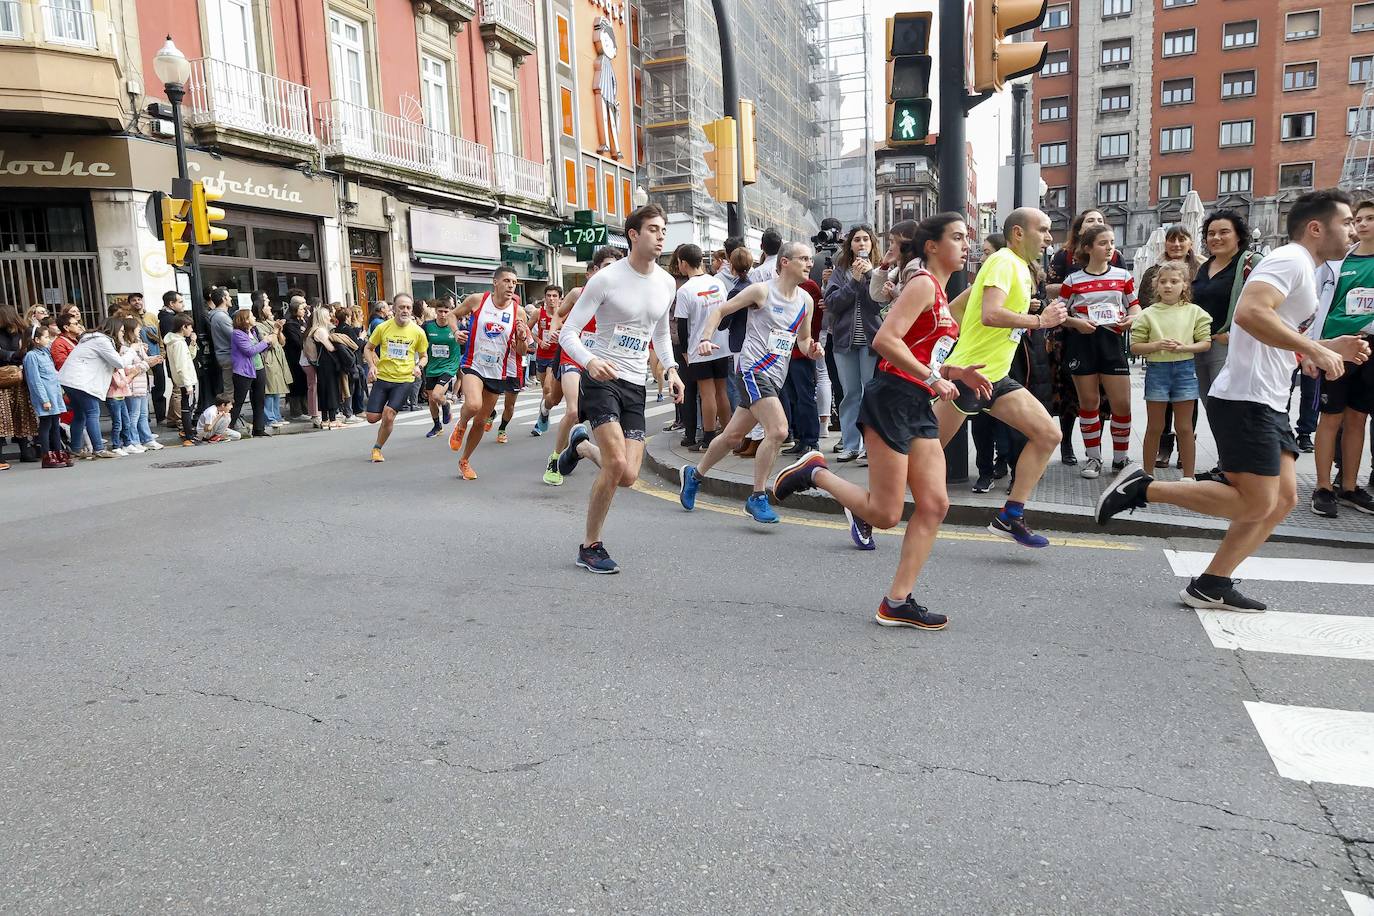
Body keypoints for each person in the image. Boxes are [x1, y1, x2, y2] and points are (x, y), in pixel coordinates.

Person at [1099, 189, 1369, 612]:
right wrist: (1316, 350)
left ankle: (1212, 583)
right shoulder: (1291, 259)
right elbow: (1249, 314)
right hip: (1247, 397)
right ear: (1317, 228)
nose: (1355, 229)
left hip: (1268, 397)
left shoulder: (1306, 266)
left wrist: (1326, 345)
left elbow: (1272, 329)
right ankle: (1143, 488)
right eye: (1348, 222)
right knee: (1257, 500)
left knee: (1282, 501)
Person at [770, 213, 988, 627]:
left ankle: (897, 601)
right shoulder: (922, 284)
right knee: (886, 515)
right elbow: (885, 340)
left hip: (918, 402)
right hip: (891, 398)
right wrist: (933, 377)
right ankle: (814, 473)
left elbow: (923, 353)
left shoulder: (938, 291)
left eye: (966, 237)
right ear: (932, 246)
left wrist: (955, 373)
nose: (965, 244)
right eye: (957, 237)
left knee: (935, 504)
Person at [930, 207, 1069, 548]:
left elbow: (962, 306)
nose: (1050, 238)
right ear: (1019, 233)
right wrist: (1040, 321)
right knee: (923, 454)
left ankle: (1011, 515)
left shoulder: (1017, 267)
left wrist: (948, 333)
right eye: (1044, 230)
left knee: (1048, 434)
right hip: (970, 376)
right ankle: (867, 506)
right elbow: (991, 314)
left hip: (996, 376)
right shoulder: (1004, 261)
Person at [556, 204, 681, 573]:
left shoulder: (666, 282)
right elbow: (568, 333)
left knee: (627, 475)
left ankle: (580, 446)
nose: (661, 237)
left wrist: (671, 369)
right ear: (633, 234)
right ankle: (590, 546)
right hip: (601, 380)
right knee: (615, 464)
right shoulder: (607, 279)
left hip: (634, 385)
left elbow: (659, 332)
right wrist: (590, 361)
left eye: (663, 231)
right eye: (654, 230)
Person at [679, 240, 821, 524]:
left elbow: (803, 341)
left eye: (811, 259)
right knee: (779, 430)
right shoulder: (761, 290)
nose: (810, 264)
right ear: (785, 262)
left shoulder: (805, 301)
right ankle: (757, 497)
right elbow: (720, 310)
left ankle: (693, 475)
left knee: (732, 437)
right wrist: (705, 339)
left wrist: (812, 350)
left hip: (775, 376)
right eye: (804, 258)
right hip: (753, 370)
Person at [1310, 197, 1374, 517]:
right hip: (1336, 346)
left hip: (1370, 349)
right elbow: (1318, 308)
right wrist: (1315, 349)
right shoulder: (1337, 261)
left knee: (1357, 418)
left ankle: (1349, 486)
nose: (1362, 224)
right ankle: (1323, 487)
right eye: (1358, 219)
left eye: (1370, 218)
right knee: (1330, 417)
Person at [1060, 224, 1140, 478]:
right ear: (1088, 248)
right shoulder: (1072, 280)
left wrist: (1130, 319)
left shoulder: (1123, 276)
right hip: (1082, 343)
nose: (1109, 248)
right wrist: (1076, 323)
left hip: (1112, 342)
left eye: (1112, 242)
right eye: (1103, 243)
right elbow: (1060, 313)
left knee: (1122, 404)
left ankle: (1120, 458)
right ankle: (1093, 459)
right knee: (1089, 403)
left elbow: (1135, 307)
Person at [542, 246, 624, 485]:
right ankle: (554, 459)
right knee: (571, 409)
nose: (613, 272)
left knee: (579, 409)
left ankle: (577, 445)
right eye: (608, 267)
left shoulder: (620, 297)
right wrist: (553, 330)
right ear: (595, 270)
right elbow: (558, 315)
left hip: (599, 359)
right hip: (573, 355)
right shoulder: (579, 293)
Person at [1130, 261, 1211, 477]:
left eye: (1174, 281)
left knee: (1185, 427)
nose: (1168, 286)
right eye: (1163, 282)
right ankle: (1147, 475)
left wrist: (1184, 347)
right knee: (1154, 426)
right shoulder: (1148, 314)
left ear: (1184, 285)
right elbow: (1135, 347)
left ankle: (1189, 476)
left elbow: (1205, 342)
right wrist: (1156, 345)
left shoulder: (1195, 312)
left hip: (1185, 370)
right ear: (1156, 286)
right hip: (1157, 370)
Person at [446, 268, 529, 478]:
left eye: (514, 282)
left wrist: (521, 338)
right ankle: (461, 424)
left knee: (482, 421)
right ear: (495, 282)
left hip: (497, 370)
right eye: (507, 281)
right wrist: (456, 332)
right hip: (474, 363)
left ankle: (464, 461)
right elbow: (452, 315)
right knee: (473, 404)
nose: (511, 285)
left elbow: (521, 351)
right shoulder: (478, 300)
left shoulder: (518, 312)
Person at [1139, 227, 1204, 467]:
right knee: (1159, 408)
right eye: (1171, 240)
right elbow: (1144, 301)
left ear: (1190, 242)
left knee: (1187, 403)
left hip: (1187, 345)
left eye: (1181, 239)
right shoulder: (1153, 272)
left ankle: (1184, 454)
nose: (1176, 244)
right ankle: (1163, 447)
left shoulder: (1201, 269)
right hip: (1159, 347)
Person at [823, 225, 884, 464]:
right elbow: (833, 303)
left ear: (872, 244)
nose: (861, 244)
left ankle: (871, 446)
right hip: (844, 342)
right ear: (850, 246)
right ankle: (850, 444)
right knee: (850, 394)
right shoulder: (840, 272)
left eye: (865, 239)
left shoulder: (880, 271)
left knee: (871, 394)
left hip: (871, 342)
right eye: (856, 240)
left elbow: (878, 305)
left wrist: (869, 276)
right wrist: (854, 280)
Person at [57, 317, 142, 459]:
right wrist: (132, 351)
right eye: (121, 331)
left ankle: (76, 448)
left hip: (69, 380)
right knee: (92, 413)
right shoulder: (102, 341)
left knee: (80, 415)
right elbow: (119, 363)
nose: (122, 334)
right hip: (82, 382)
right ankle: (99, 448)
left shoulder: (91, 339)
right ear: (114, 330)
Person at [673, 244, 731, 451]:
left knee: (706, 394)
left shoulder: (685, 290)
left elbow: (681, 326)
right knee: (722, 392)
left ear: (684, 263)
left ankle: (708, 439)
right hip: (721, 345)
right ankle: (728, 435)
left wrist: (685, 352)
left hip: (700, 347)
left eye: (679, 261)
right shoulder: (717, 283)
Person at [361, 293, 428, 462]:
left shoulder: (417, 331)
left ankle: (377, 448)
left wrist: (418, 366)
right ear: (394, 309)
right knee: (372, 418)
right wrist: (372, 366)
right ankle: (384, 419)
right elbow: (368, 348)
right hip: (383, 378)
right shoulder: (383, 328)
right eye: (401, 307)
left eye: (408, 307)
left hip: (404, 380)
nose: (405, 310)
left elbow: (424, 356)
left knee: (389, 414)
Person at [971, 233, 1012, 492]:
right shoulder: (982, 281)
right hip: (980, 362)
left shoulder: (1017, 273)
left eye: (987, 252)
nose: (982, 257)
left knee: (1011, 423)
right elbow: (981, 315)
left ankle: (1007, 466)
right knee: (981, 419)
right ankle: (984, 471)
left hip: (1011, 360)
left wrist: (1036, 314)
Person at [24, 323, 69, 468]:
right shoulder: (31, 356)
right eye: (45, 337)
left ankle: (58, 452)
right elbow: (35, 380)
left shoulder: (46, 353)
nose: (48, 340)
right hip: (45, 397)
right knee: (46, 425)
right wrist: (44, 399)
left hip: (54, 395)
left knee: (55, 425)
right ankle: (46, 454)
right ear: (36, 340)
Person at [0, 304, 40, 465]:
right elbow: (28, 350)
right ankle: (26, 451)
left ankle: (2, 456)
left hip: (3, 379)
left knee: (3, 417)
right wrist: (18, 355)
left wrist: (11, 356)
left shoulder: (22, 331)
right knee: (21, 414)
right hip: (20, 377)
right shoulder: (24, 331)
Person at [421, 297, 466, 438]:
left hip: (449, 366)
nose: (442, 314)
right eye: (440, 311)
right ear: (435, 311)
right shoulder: (427, 326)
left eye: (446, 311)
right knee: (431, 399)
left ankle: (446, 405)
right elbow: (420, 343)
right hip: (432, 366)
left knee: (436, 395)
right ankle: (437, 426)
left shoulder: (456, 327)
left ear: (450, 311)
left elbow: (466, 345)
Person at [228, 308, 273, 438]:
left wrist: (266, 342)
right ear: (245, 320)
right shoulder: (237, 334)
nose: (254, 318)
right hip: (243, 371)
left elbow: (261, 347)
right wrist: (265, 342)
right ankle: (227, 427)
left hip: (259, 368)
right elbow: (249, 351)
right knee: (239, 401)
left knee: (259, 399)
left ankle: (259, 428)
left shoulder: (253, 331)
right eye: (252, 316)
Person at [121, 315, 164, 452]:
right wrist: (147, 363)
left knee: (143, 414)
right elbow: (129, 367)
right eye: (137, 329)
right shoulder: (125, 348)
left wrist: (153, 359)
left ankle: (146, 439)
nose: (139, 331)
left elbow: (144, 360)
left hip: (142, 384)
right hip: (133, 385)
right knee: (134, 415)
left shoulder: (138, 345)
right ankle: (133, 440)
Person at [305, 305, 344, 431]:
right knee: (331, 389)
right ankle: (332, 419)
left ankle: (325, 419)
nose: (330, 317)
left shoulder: (313, 330)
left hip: (320, 363)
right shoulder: (321, 331)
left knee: (324, 390)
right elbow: (330, 348)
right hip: (327, 362)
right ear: (322, 317)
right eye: (327, 316)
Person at [531, 286, 563, 436]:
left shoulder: (564, 314)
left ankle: (540, 422)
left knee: (547, 389)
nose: (551, 299)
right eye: (548, 295)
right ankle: (543, 415)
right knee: (545, 389)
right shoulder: (538, 313)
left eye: (554, 296)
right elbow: (528, 329)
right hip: (541, 355)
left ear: (560, 298)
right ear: (544, 298)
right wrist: (538, 341)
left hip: (555, 356)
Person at [162, 314, 199, 445]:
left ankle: (187, 431)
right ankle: (188, 434)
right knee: (187, 406)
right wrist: (188, 384)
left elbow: (190, 356)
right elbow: (181, 365)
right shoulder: (178, 343)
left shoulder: (177, 341)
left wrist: (193, 343)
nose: (191, 330)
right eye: (190, 327)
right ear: (184, 327)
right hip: (186, 380)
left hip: (184, 379)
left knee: (188, 405)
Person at [253, 300, 290, 429]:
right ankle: (270, 418)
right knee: (269, 389)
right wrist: (275, 331)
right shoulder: (258, 325)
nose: (270, 308)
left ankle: (277, 415)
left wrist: (279, 330)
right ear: (261, 310)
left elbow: (282, 341)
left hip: (278, 357)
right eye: (267, 306)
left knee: (277, 388)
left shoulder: (270, 322)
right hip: (268, 358)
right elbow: (269, 342)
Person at [282, 297, 309, 420]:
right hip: (294, 357)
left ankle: (305, 408)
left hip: (303, 357)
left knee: (304, 383)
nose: (305, 310)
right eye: (302, 307)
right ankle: (296, 411)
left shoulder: (303, 321)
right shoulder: (290, 323)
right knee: (296, 383)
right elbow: (297, 341)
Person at [207, 287, 234, 399]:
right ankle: (229, 414)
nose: (231, 298)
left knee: (230, 387)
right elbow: (235, 337)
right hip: (227, 355)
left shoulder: (219, 316)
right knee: (230, 389)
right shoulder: (221, 317)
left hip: (225, 355)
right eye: (228, 296)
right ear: (224, 299)